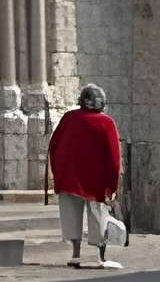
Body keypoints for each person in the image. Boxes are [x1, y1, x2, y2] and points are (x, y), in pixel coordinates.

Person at [50, 82, 126, 269]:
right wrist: (112, 186)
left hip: (69, 177)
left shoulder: (68, 118)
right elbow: (113, 157)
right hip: (96, 181)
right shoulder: (106, 122)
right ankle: (100, 256)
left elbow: (54, 145)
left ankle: (75, 253)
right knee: (99, 217)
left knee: (70, 216)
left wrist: (58, 173)